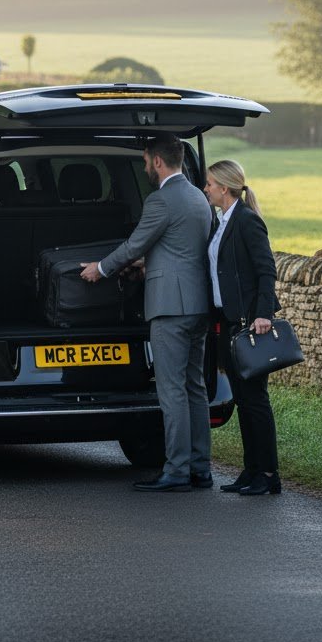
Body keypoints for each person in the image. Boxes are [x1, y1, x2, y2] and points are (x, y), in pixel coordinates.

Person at [80, 133, 213, 492]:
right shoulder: (198, 197)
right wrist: (148, 264)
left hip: (170, 306)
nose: (144, 168)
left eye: (143, 161)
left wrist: (101, 269)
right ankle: (200, 467)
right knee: (194, 387)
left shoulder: (161, 200)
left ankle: (176, 471)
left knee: (171, 391)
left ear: (157, 161)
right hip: (198, 304)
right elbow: (180, 249)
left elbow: (135, 244)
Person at [203, 159, 282, 497]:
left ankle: (268, 473)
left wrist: (263, 314)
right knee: (243, 399)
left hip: (251, 323)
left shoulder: (247, 222)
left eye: (208, 184)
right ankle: (251, 471)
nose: (205, 189)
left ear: (223, 187)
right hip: (228, 322)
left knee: (255, 400)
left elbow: (267, 270)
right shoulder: (221, 221)